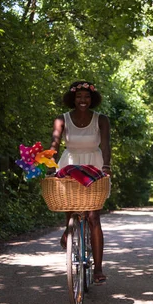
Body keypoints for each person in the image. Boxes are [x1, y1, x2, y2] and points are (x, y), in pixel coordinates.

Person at [50, 80, 112, 284]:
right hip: (69, 163)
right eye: (79, 97)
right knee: (70, 204)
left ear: (92, 99)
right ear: (73, 99)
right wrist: (48, 163)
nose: (82, 100)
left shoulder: (101, 119)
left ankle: (98, 269)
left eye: (86, 97)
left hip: (94, 165)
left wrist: (107, 167)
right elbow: (55, 144)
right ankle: (69, 230)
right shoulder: (62, 119)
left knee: (94, 216)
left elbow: (105, 144)